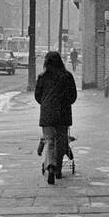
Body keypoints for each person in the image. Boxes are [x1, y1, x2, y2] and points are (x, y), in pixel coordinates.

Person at [34, 50, 77, 185]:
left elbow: (37, 96)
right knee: (61, 142)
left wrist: (46, 104)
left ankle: (50, 167)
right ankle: (58, 169)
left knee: (50, 142)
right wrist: (65, 103)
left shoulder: (42, 77)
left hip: (47, 114)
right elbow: (73, 96)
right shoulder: (67, 76)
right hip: (63, 114)